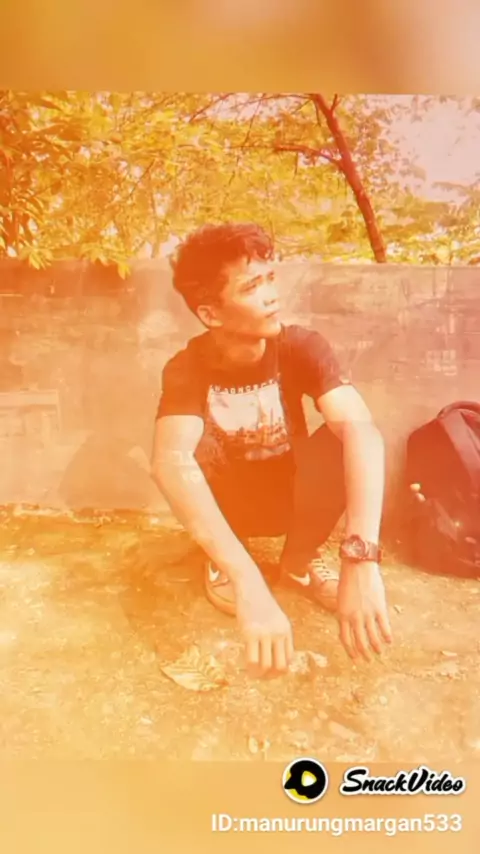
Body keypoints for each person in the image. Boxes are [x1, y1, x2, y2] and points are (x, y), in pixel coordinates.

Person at [151, 223, 392, 677]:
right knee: (185, 448)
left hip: (291, 497)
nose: (272, 296)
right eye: (251, 287)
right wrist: (248, 583)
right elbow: (169, 461)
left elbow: (362, 430)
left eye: (270, 279)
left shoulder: (300, 346)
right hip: (230, 506)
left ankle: (298, 563)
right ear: (210, 313)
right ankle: (228, 561)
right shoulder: (187, 367)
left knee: (344, 437)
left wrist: (361, 557)